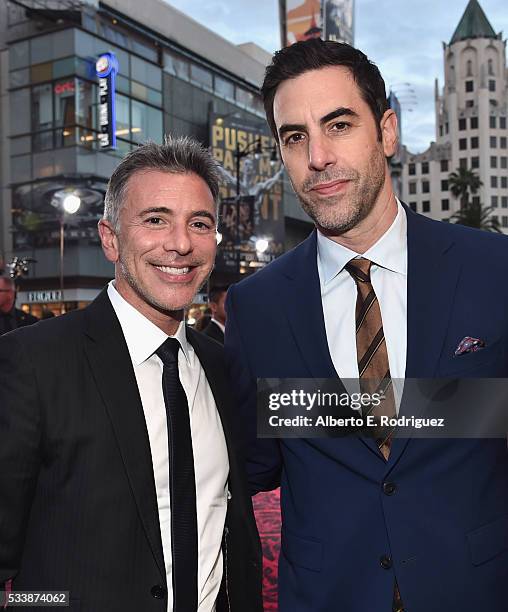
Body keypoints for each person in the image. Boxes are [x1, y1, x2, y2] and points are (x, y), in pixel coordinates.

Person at [224, 39, 508, 612]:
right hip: (327, 595)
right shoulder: (256, 306)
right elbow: (248, 466)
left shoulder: (493, 269)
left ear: (387, 132)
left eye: (339, 125)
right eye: (295, 136)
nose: (318, 157)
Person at [0, 137, 262, 612]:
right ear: (110, 238)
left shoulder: (223, 369)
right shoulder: (32, 363)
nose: (180, 243)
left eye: (198, 223)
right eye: (156, 219)